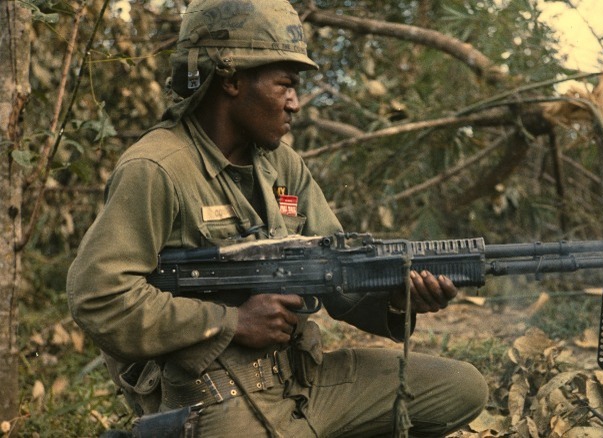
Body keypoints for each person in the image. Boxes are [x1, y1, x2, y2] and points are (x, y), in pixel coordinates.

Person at [67, 0, 488, 436]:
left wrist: (400, 297)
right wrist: (232, 322)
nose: (295, 103)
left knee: (460, 389)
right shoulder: (157, 169)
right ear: (231, 80)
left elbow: (340, 276)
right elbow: (99, 298)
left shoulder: (283, 165)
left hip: (303, 384)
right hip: (216, 400)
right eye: (285, 85)